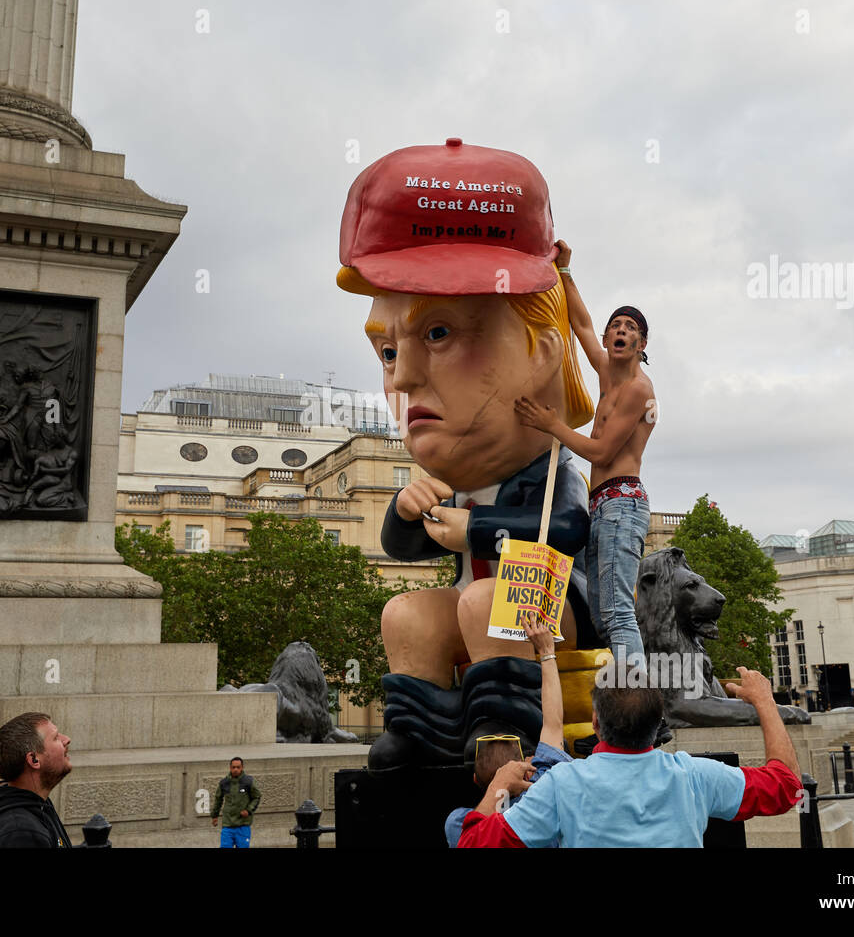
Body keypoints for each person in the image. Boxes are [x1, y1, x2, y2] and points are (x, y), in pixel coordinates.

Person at [339, 138, 597, 769]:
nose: (400, 380)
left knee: (489, 600)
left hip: (555, 608)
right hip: (482, 610)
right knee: (409, 614)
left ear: (541, 352)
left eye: (439, 332)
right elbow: (406, 549)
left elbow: (568, 529)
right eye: (388, 350)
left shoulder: (551, 467)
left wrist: (475, 530)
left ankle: (504, 742)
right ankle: (421, 735)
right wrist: (405, 513)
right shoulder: (448, 482)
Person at [458, 667, 801, 847]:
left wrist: (498, 788)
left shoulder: (563, 785)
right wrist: (764, 702)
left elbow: (473, 844)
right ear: (658, 724)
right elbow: (787, 787)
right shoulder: (693, 775)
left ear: (595, 722)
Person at [514, 240, 656, 671]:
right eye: (616, 324)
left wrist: (551, 424)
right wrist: (565, 271)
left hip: (622, 502)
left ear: (641, 342)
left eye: (630, 327)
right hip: (603, 504)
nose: (620, 330)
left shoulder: (637, 389)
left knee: (615, 612)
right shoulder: (608, 373)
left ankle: (640, 702)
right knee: (601, 614)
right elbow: (580, 323)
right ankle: (626, 700)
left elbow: (601, 449)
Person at [444, 616, 570, 846]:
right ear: (527, 771)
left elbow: (472, 832)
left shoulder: (458, 824)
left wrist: (499, 787)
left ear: (475, 779)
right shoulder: (540, 809)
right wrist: (546, 651)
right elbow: (553, 723)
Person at [0, 712, 74, 848]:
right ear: (34, 760)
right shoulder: (20, 833)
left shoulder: (38, 805)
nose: (66, 739)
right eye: (56, 737)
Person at [210, 757, 261, 848]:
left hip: (243, 825)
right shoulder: (224, 783)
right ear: (230, 768)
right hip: (227, 825)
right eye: (233, 767)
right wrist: (215, 816)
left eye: (238, 767)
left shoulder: (248, 781)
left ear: (242, 768)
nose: (236, 770)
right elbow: (218, 800)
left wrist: (248, 810)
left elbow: (257, 797)